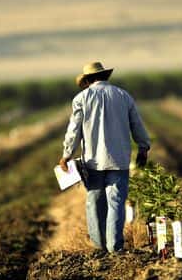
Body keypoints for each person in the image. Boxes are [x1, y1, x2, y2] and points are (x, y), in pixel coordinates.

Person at [60, 62, 151, 253]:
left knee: (94, 202)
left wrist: (67, 154)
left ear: (87, 80)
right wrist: (143, 147)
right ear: (104, 76)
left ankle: (98, 246)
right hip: (119, 160)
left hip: (93, 161)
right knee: (117, 203)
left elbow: (74, 129)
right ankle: (114, 247)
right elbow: (137, 124)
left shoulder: (81, 99)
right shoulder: (123, 96)